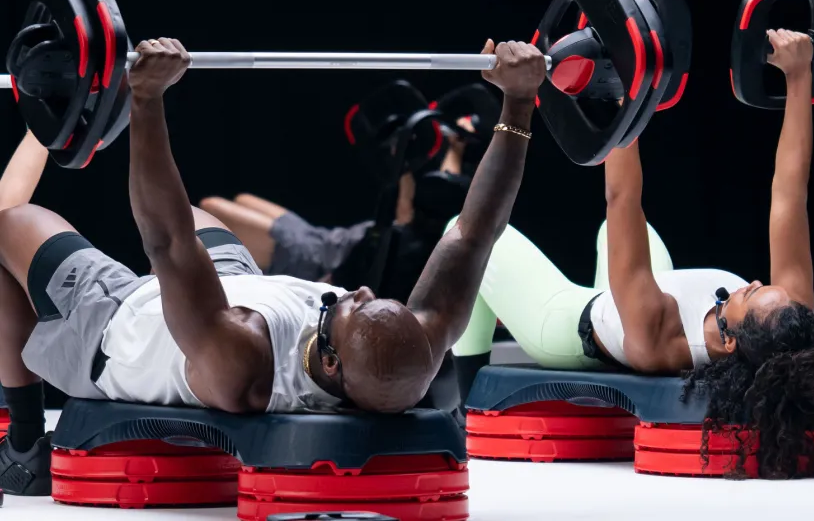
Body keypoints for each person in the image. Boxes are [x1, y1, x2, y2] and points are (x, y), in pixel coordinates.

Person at [0, 36, 546, 495]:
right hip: (237, 286)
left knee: (9, 221)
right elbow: (476, 233)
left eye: (353, 305)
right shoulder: (409, 353)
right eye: (375, 297)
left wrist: (146, 100)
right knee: (194, 213)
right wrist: (518, 104)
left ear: (330, 365)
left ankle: (24, 448)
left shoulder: (244, 359)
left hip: (118, 321)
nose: (357, 288)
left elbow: (167, 242)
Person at [450, 29, 814, 479]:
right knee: (624, 233)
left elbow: (622, 195)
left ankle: (466, 401)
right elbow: (789, 192)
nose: (758, 283)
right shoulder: (787, 316)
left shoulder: (659, 335)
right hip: (631, 294)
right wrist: (799, 78)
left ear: (728, 342)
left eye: (748, 295)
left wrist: (627, 84)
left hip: (570, 323)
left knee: (469, 234)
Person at [196, 116, 475, 298]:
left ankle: (241, 285)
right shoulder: (435, 213)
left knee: (211, 207)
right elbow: (447, 185)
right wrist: (456, 148)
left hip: (316, 258)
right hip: (327, 238)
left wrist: (401, 159)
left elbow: (414, 202)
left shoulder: (409, 233)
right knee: (242, 199)